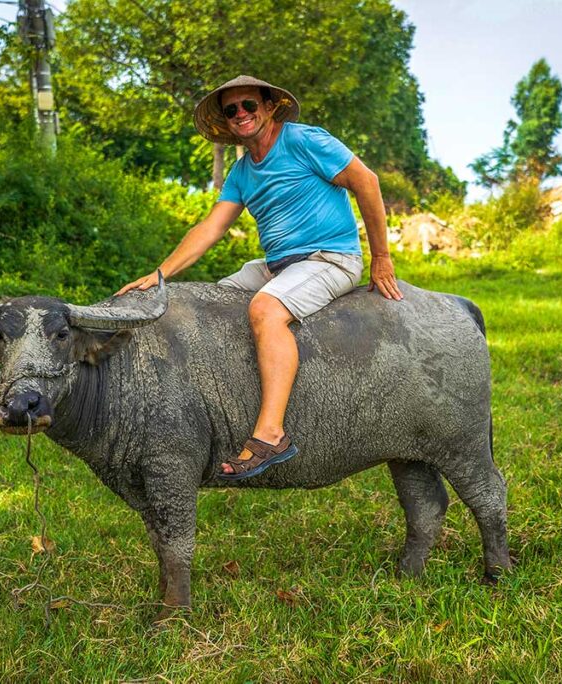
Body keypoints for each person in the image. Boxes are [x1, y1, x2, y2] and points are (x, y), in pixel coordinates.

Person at [116, 75, 402, 479]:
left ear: (268, 107)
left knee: (265, 309)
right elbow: (209, 229)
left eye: (249, 105)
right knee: (210, 302)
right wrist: (160, 272)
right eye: (231, 110)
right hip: (279, 264)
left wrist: (381, 257)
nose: (241, 115)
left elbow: (366, 181)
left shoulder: (305, 141)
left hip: (330, 257)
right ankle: (217, 404)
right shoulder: (241, 173)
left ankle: (271, 433)